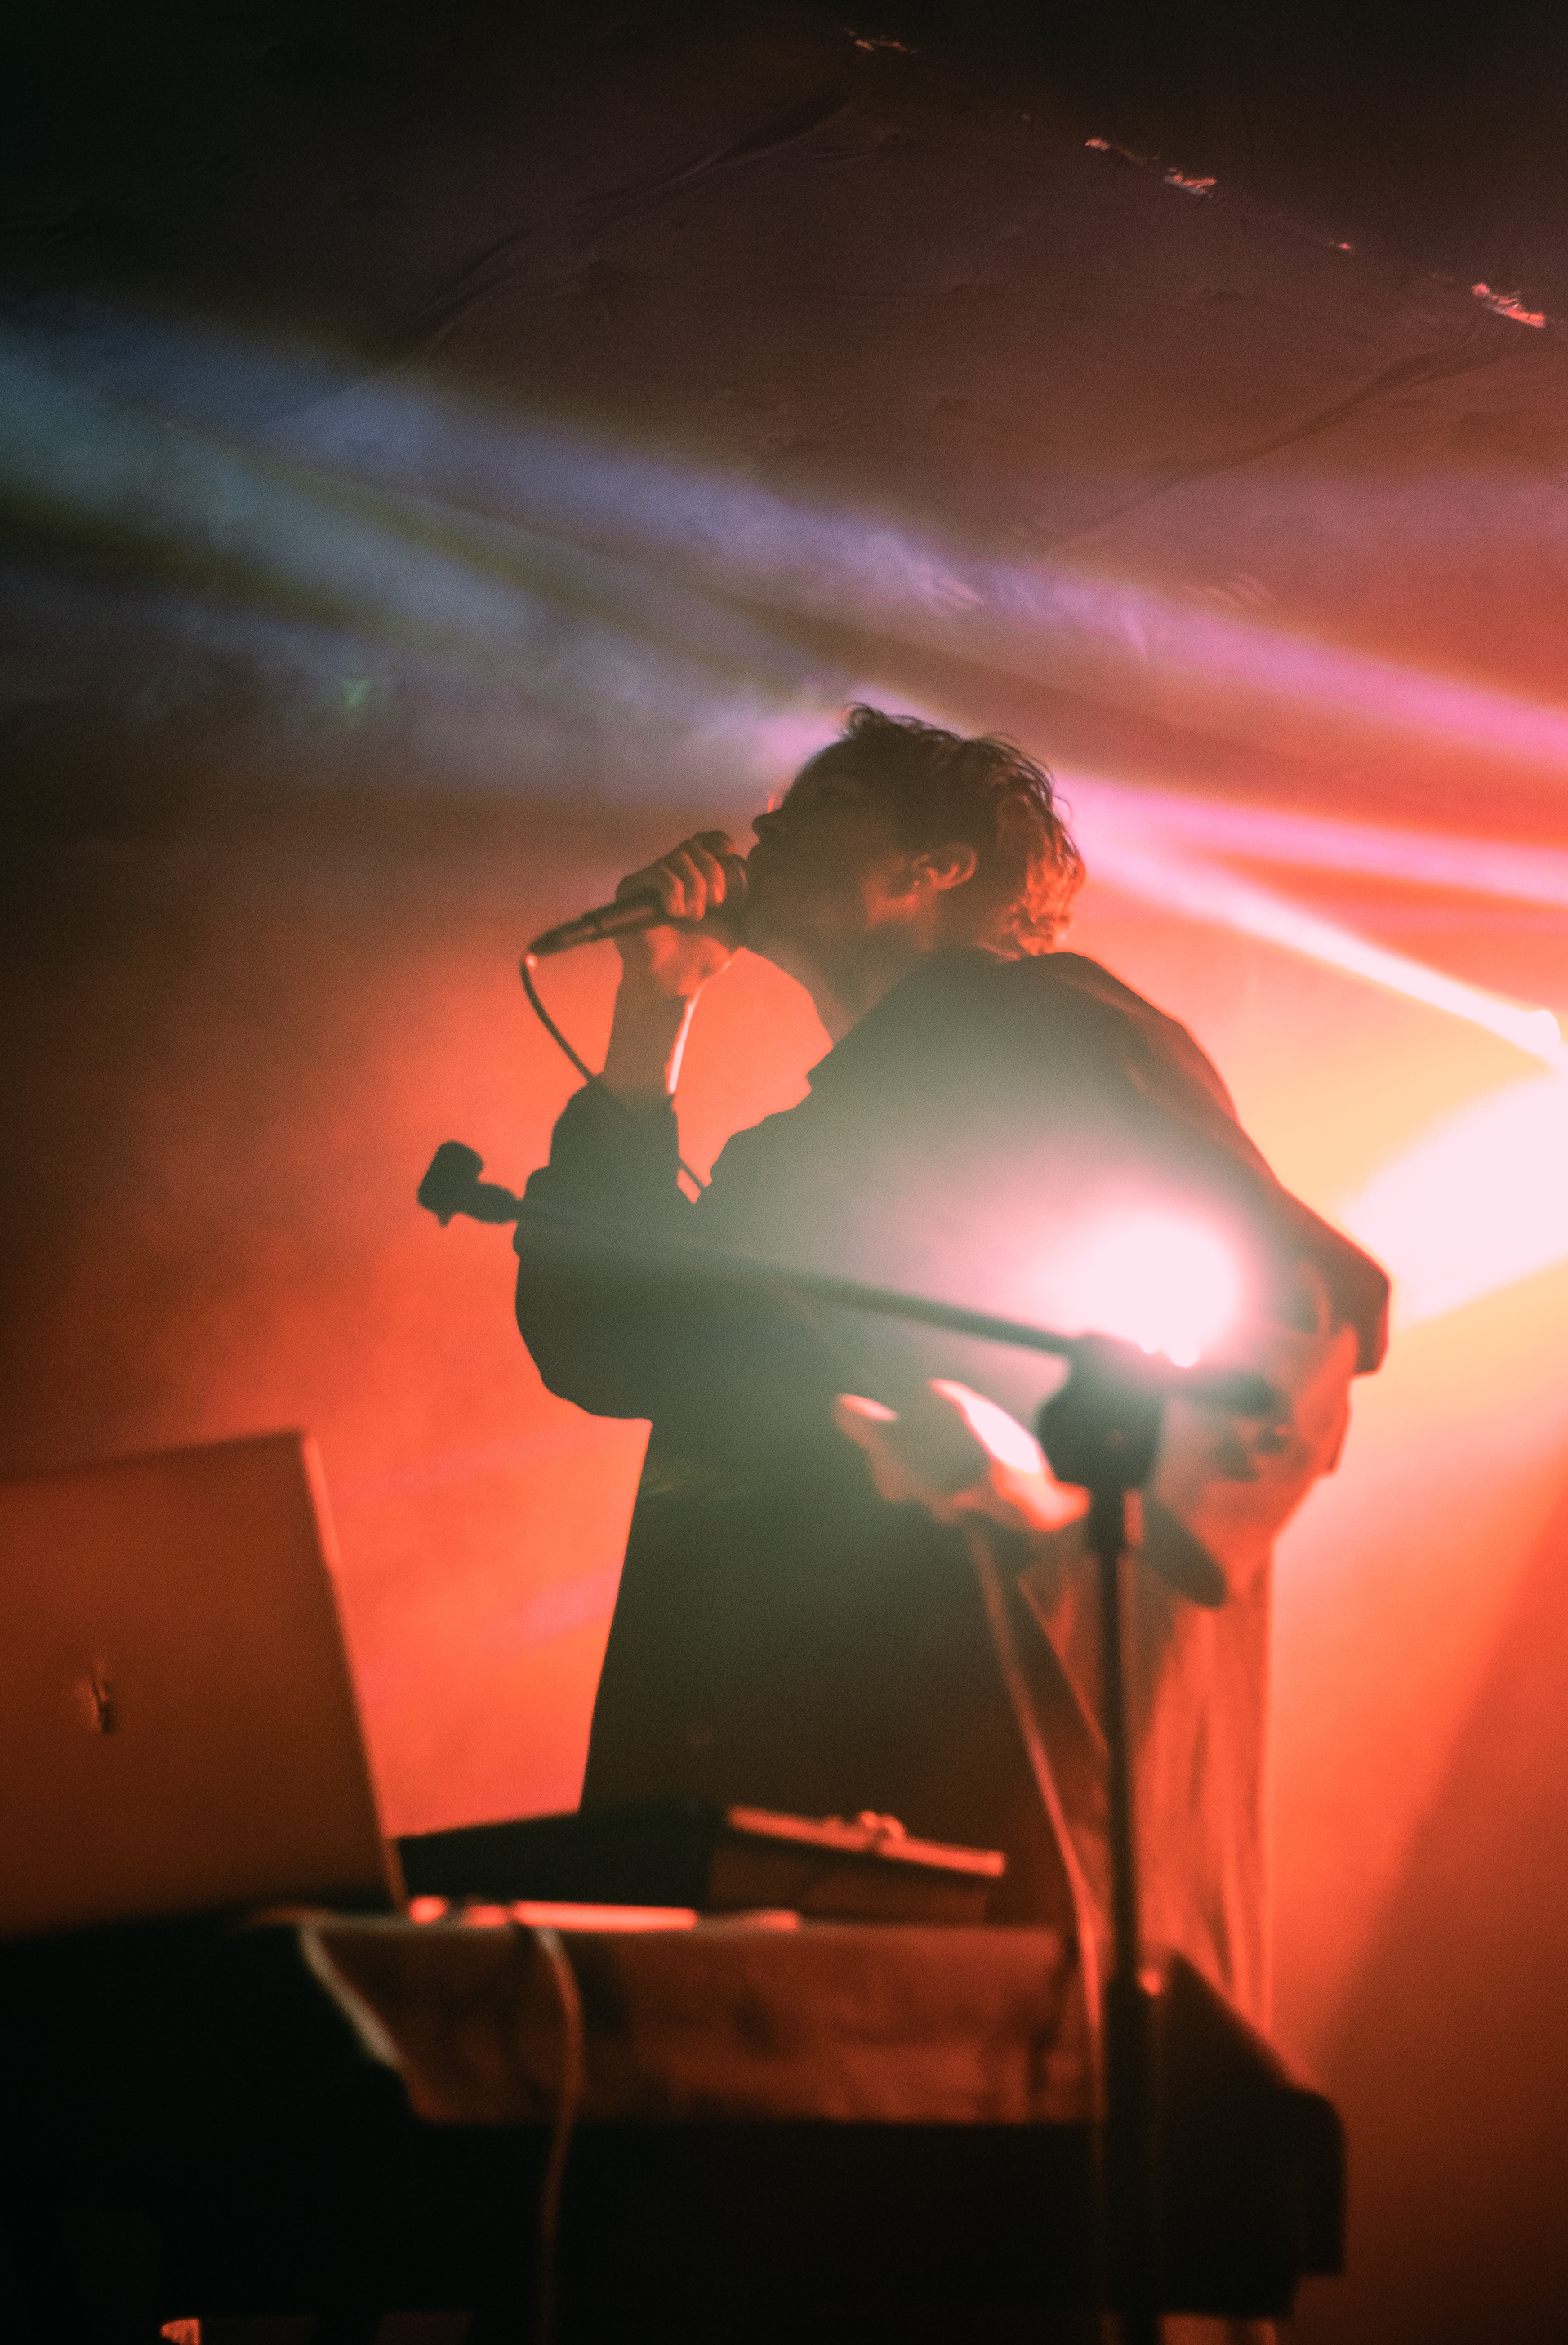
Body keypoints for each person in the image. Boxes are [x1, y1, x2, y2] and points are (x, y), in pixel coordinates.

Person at [514, 707, 1388, 2033]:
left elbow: (1300, 1304)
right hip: (795, 1755)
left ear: (938, 866)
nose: (762, 832)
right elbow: (612, 1339)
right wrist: (655, 1009)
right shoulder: (796, 1151)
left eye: (819, 808)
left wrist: (1066, 1496)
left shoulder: (1050, 1024)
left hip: (983, 1732)